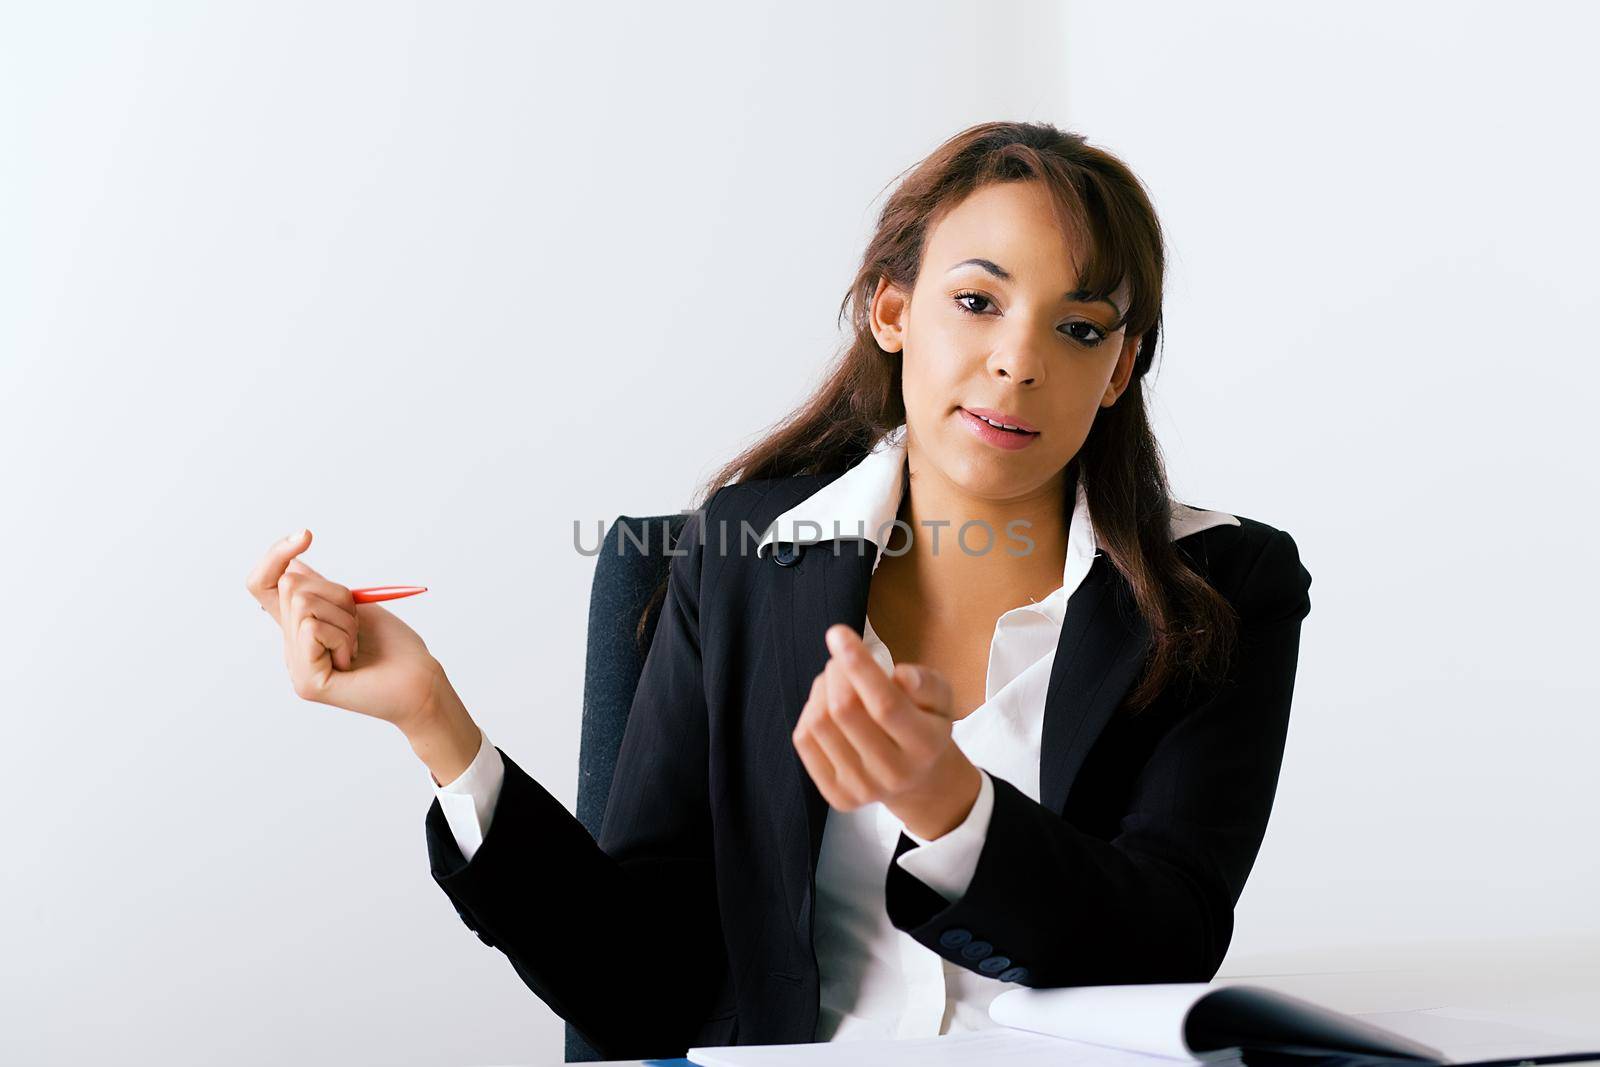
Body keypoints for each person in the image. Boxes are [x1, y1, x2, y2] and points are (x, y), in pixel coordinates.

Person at [245, 121, 1313, 1062]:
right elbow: (641, 985)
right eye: (976, 301)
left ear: (1119, 368)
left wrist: (948, 803)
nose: (1016, 361)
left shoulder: (1223, 584)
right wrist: (438, 726)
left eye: (1078, 327)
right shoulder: (741, 558)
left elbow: (1169, 941)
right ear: (892, 311)